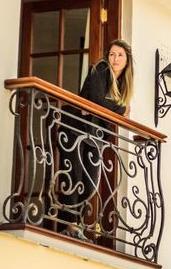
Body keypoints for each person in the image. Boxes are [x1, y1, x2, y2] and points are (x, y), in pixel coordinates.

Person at [57, 39, 134, 242]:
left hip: (93, 136)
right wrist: (121, 110)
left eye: (120, 55)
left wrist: (112, 113)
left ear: (127, 61)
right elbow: (97, 99)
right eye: (112, 54)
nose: (115, 59)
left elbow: (104, 111)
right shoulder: (100, 68)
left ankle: (77, 225)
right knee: (73, 176)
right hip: (74, 127)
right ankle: (70, 226)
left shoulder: (120, 85)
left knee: (89, 184)